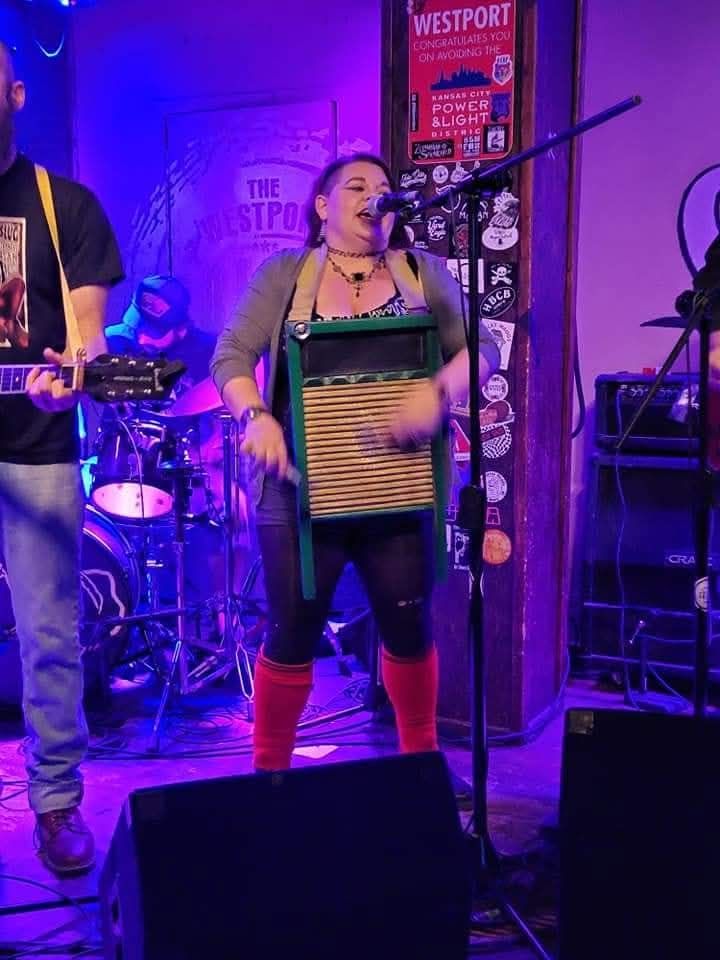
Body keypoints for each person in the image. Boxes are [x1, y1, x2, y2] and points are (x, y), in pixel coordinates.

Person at [211, 153, 500, 772]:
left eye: (385, 188)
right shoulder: (286, 275)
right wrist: (256, 416)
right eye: (357, 186)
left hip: (399, 489)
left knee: (408, 628)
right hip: (298, 494)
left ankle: (419, 768)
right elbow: (231, 354)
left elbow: (482, 351)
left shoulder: (421, 274)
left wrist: (436, 392)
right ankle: (270, 778)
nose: (375, 196)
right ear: (322, 206)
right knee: (292, 633)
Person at [0, 40, 124, 872]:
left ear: (14, 95)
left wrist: (70, 381)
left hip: (36, 449)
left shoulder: (63, 206)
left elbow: (88, 340)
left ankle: (56, 803)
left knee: (48, 632)